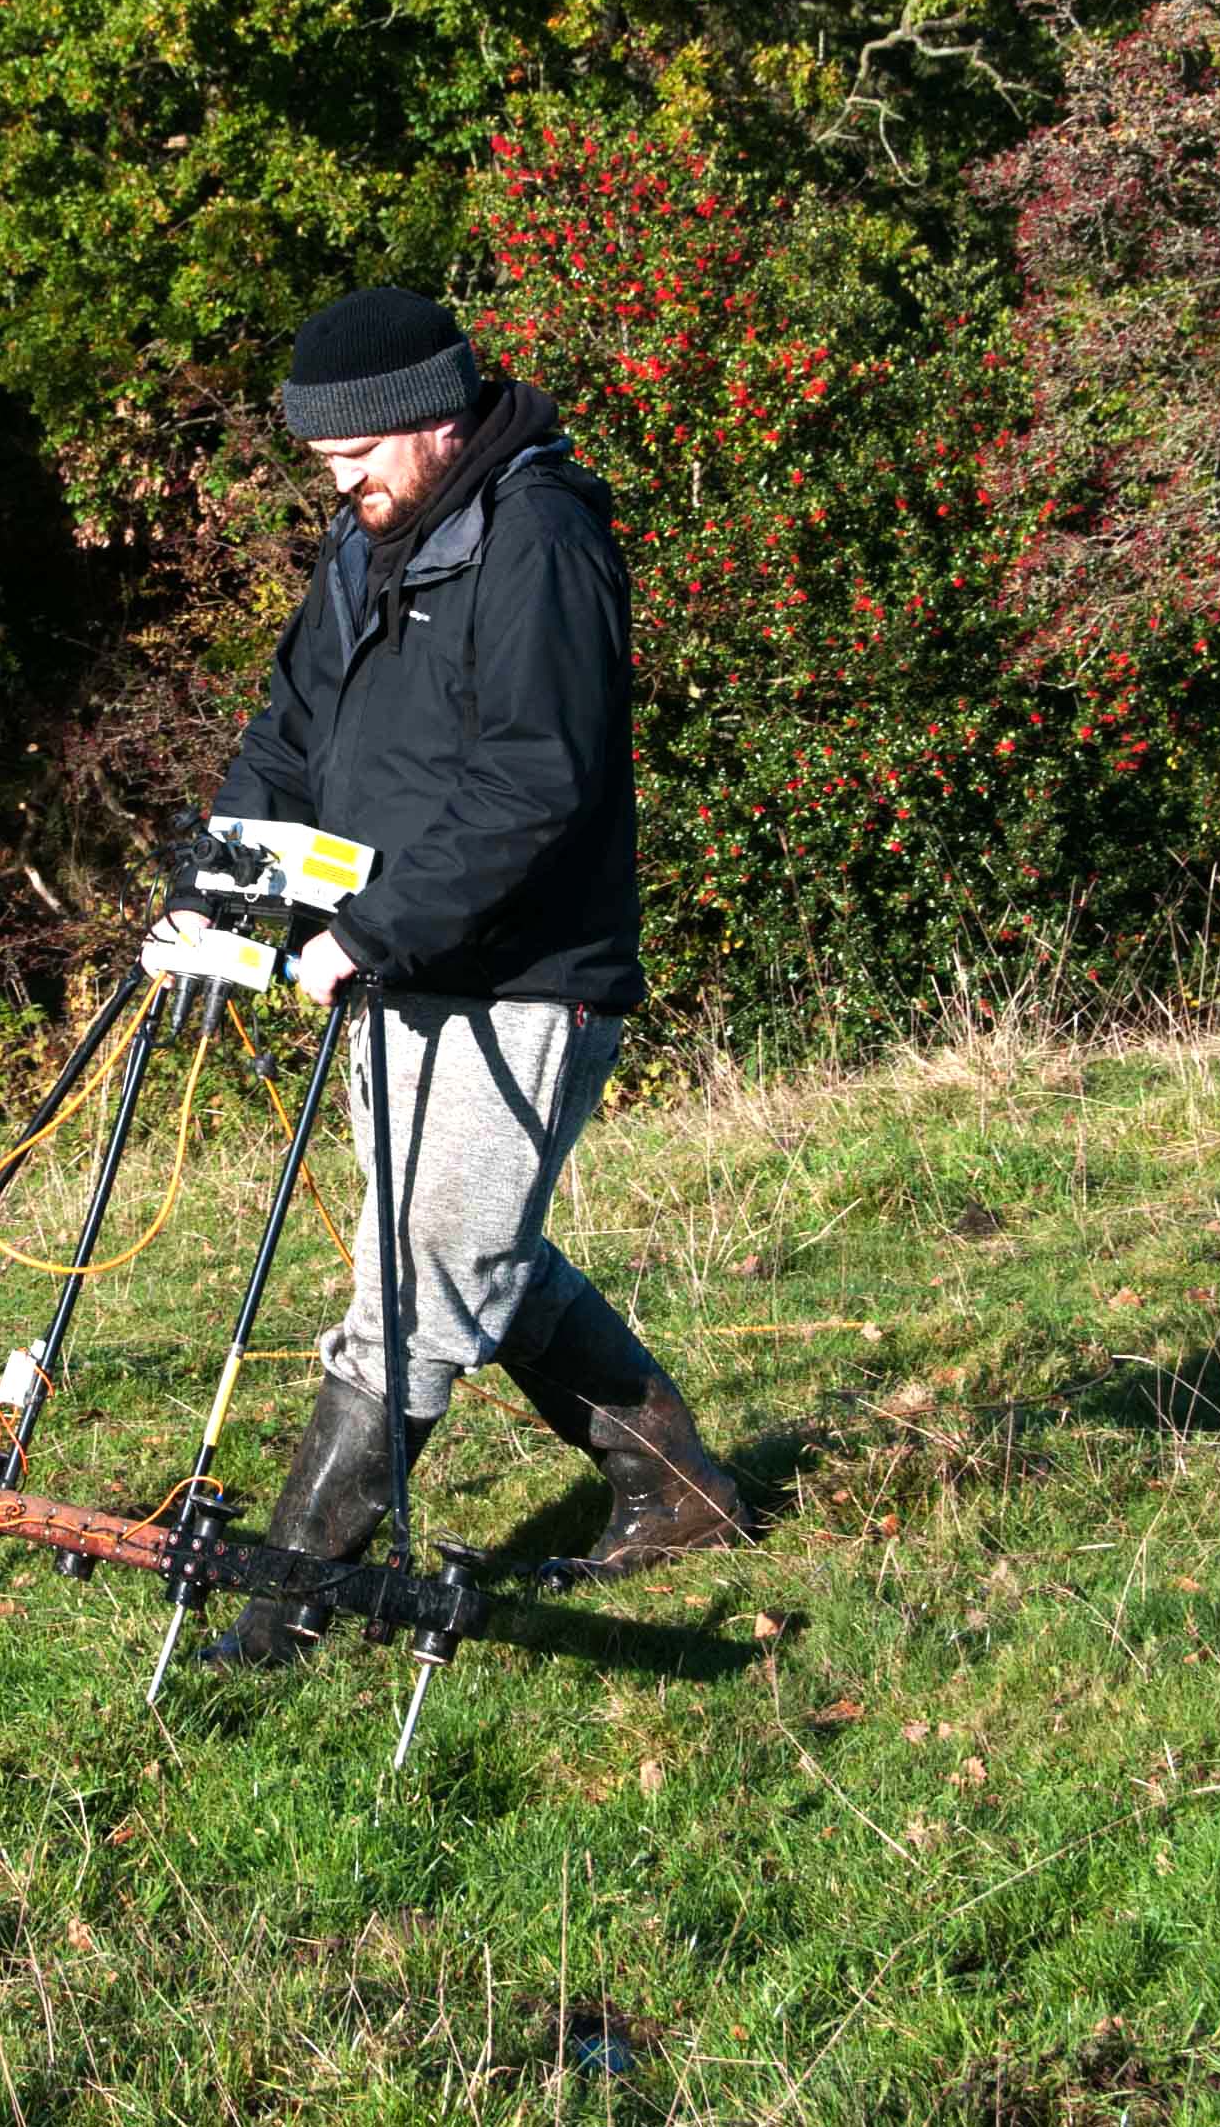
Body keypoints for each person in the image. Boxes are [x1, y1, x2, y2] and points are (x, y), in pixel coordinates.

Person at [148, 285, 749, 1665]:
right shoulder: (369, 541)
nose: (339, 481)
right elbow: (291, 735)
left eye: (356, 453)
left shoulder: (540, 535)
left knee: (419, 1283)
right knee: (467, 1250)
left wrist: (371, 931)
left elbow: (538, 779)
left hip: (520, 977)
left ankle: (277, 1613)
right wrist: (218, 893)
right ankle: (678, 1490)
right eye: (323, 460)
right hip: (399, 968)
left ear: (433, 420)